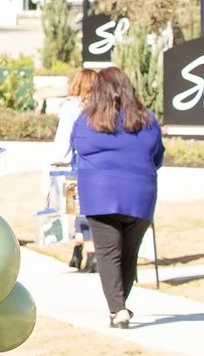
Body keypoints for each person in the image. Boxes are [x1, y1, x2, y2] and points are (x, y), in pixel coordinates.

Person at [69, 65, 163, 327]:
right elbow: (157, 156)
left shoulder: (86, 120)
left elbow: (76, 147)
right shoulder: (147, 119)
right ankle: (119, 306)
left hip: (100, 194)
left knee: (109, 253)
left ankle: (118, 309)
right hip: (140, 194)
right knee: (129, 253)